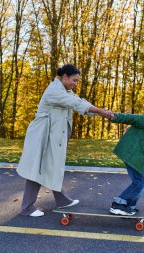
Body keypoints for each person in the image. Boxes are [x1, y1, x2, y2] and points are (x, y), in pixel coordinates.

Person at [17, 64, 113, 217]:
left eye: (77, 81)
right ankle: (26, 207)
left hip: (52, 136)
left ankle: (62, 200)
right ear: (65, 77)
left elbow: (80, 102)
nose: (75, 84)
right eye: (74, 80)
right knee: (38, 169)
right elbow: (76, 104)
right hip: (41, 136)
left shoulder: (66, 91)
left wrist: (100, 112)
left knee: (53, 166)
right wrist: (100, 111)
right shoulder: (54, 91)